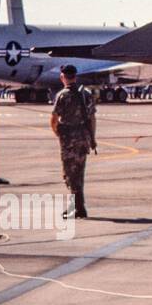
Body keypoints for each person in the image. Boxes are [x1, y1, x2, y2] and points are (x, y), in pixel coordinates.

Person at [50, 64, 96, 219]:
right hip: (83, 137)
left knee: (69, 174)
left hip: (69, 139)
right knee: (79, 173)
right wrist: (92, 138)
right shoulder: (86, 94)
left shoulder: (62, 95)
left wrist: (59, 134)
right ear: (75, 76)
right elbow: (92, 118)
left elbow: (54, 119)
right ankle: (76, 206)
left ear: (63, 77)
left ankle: (78, 208)